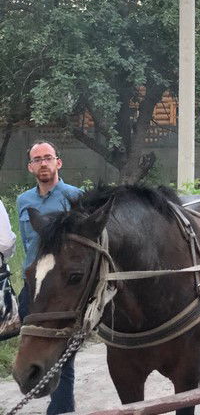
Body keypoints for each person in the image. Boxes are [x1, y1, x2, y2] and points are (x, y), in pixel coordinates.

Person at [16, 140, 83, 415]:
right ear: (31, 167)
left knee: (61, 349)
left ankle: (61, 407)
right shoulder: (24, 201)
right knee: (34, 342)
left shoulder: (75, 197)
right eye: (37, 159)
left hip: (61, 289)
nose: (43, 163)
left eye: (48, 158)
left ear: (58, 162)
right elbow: (26, 243)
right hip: (33, 287)